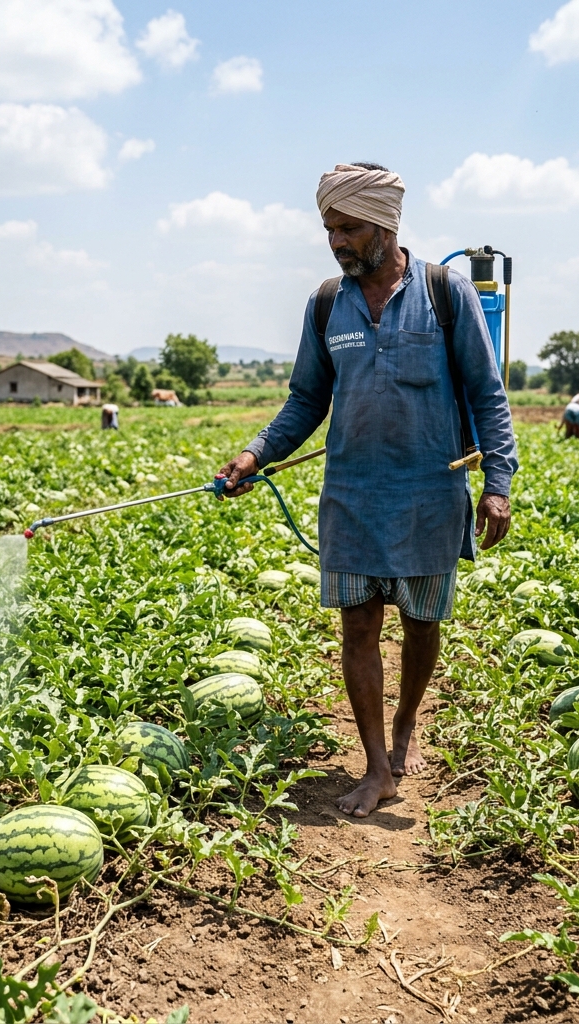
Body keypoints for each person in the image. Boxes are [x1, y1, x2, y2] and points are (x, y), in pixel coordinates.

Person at [218, 163, 517, 817]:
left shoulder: (445, 293)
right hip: (351, 497)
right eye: (330, 229)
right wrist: (255, 453)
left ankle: (407, 720)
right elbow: (305, 399)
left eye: (349, 228)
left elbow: (487, 394)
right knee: (357, 627)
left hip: (428, 496)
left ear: (384, 223)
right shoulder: (329, 302)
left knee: (421, 623)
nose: (338, 242)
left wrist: (498, 482)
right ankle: (378, 766)